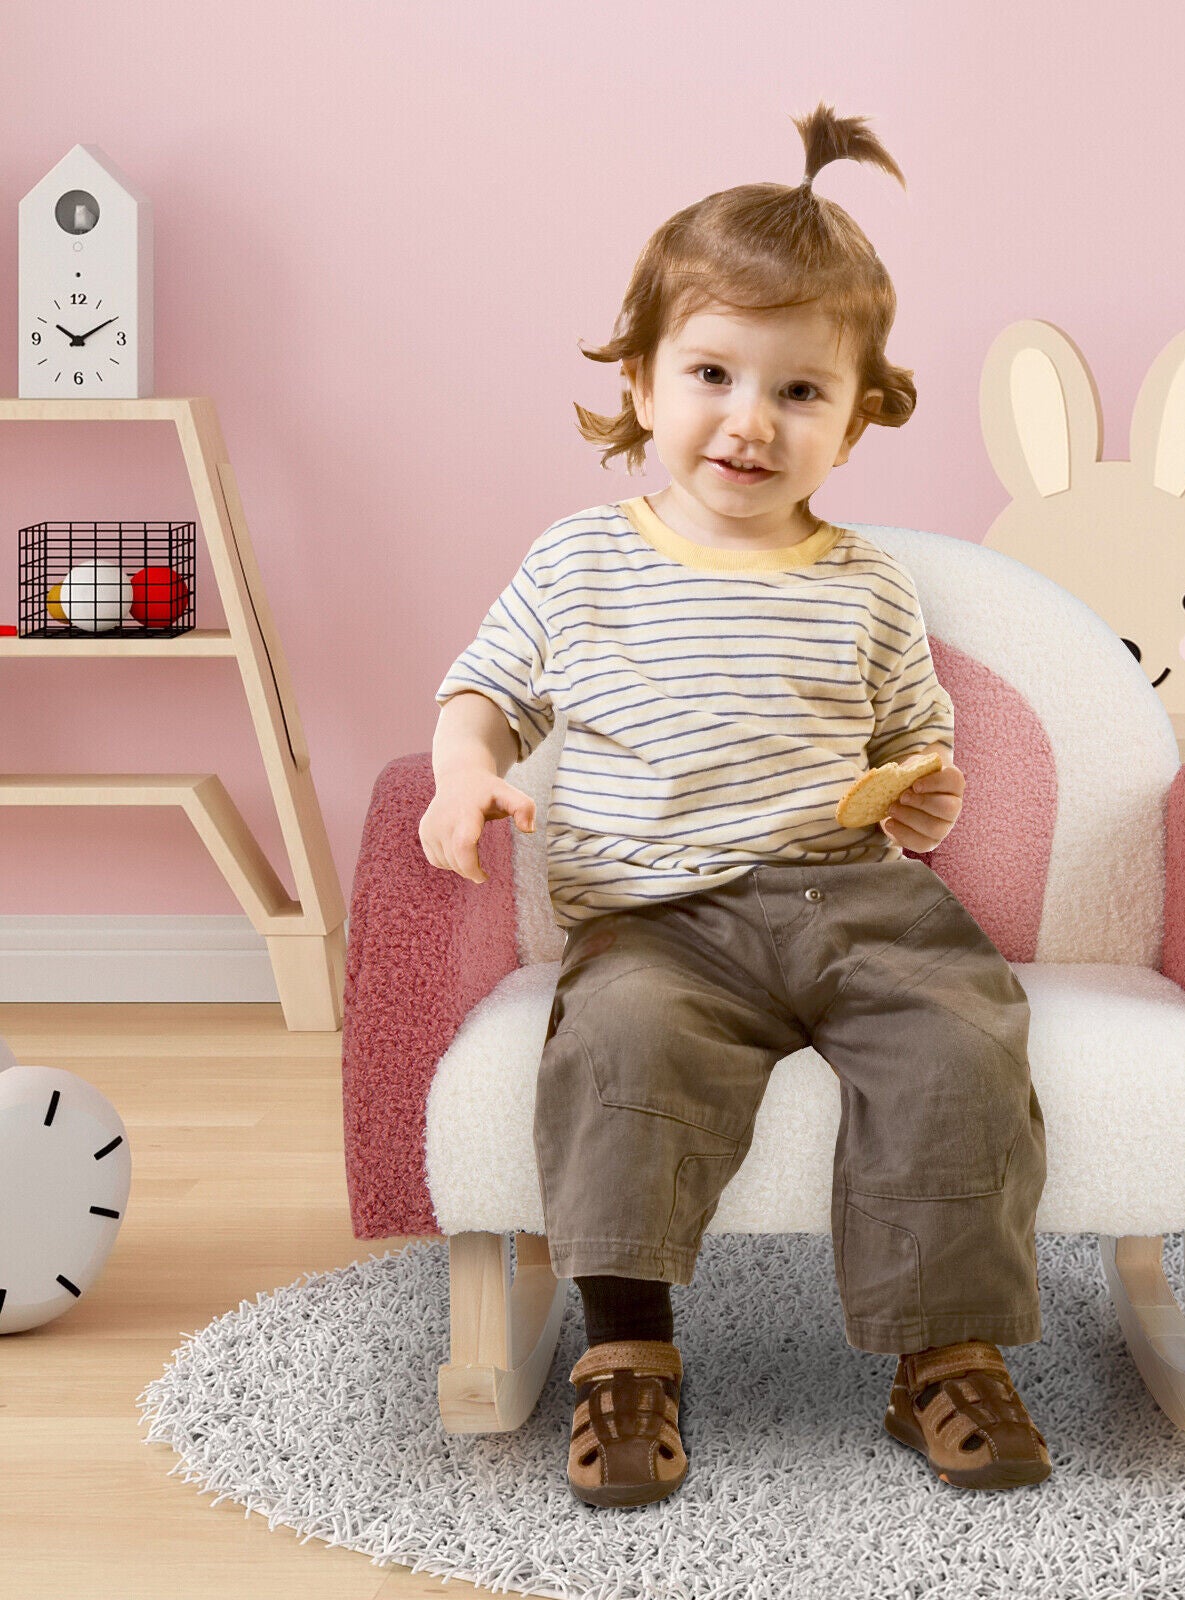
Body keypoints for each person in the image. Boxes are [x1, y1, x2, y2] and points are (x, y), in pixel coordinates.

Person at [420, 101, 1051, 1508]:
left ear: (856, 417)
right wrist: (468, 772)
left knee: (961, 1040)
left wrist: (925, 802)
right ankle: (626, 1353)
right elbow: (484, 691)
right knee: (623, 1052)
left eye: (800, 392)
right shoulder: (583, 560)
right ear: (642, 381)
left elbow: (918, 772)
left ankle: (944, 1354)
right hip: (660, 917)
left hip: (853, 897)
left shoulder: (868, 586)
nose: (750, 423)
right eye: (713, 372)